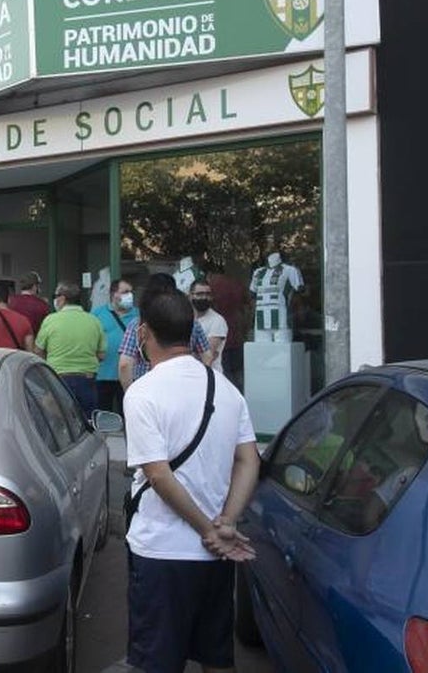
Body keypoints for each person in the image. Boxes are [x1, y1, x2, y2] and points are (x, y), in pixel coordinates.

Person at [123, 288, 260, 673]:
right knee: (217, 657)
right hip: (216, 556)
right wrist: (226, 524)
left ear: (144, 332)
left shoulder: (142, 393)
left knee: (157, 661)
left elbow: (158, 475)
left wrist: (207, 529)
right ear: (192, 331)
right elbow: (249, 459)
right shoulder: (226, 389)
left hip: (161, 553)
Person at [117, 274, 212, 390]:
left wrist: (130, 392)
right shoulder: (191, 323)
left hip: (146, 386)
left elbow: (124, 364)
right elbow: (207, 355)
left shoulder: (137, 325)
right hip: (182, 385)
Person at [34, 282, 106, 415]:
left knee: (59, 421)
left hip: (58, 379)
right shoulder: (94, 321)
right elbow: (102, 355)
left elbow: (38, 350)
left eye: (56, 296)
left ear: (62, 299)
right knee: (88, 422)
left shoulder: (51, 320)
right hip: (87, 379)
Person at [93, 276, 137, 415]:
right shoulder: (97, 314)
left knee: (129, 415)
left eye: (131, 292)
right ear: (113, 294)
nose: (130, 295)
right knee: (103, 417)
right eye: (125, 292)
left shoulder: (139, 314)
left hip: (130, 375)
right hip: (102, 375)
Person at [190, 280, 228, 374]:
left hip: (210, 375)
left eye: (207, 294)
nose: (204, 297)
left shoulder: (217, 321)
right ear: (190, 296)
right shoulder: (185, 318)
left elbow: (208, 354)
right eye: (200, 294)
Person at [9, 271, 52, 337]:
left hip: (12, 344)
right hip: (34, 343)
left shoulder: (10, 301)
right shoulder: (42, 305)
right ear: (34, 286)